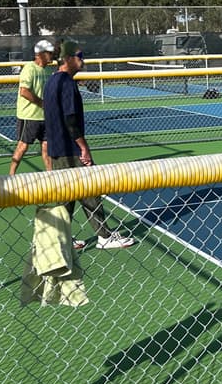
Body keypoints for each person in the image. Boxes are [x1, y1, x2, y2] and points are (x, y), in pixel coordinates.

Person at [43, 41, 136, 250]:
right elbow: (70, 120)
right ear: (67, 59)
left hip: (58, 149)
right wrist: (83, 147)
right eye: (79, 55)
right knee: (90, 190)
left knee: (65, 197)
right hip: (70, 149)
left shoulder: (51, 82)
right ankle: (103, 237)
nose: (82, 60)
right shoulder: (65, 83)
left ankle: (60, 238)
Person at [9, 39, 57, 175]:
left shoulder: (48, 70)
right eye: (49, 53)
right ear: (40, 54)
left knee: (46, 146)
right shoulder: (29, 69)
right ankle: (11, 174)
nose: (52, 55)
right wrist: (42, 103)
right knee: (23, 146)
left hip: (45, 116)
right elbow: (24, 91)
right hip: (29, 116)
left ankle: (50, 174)